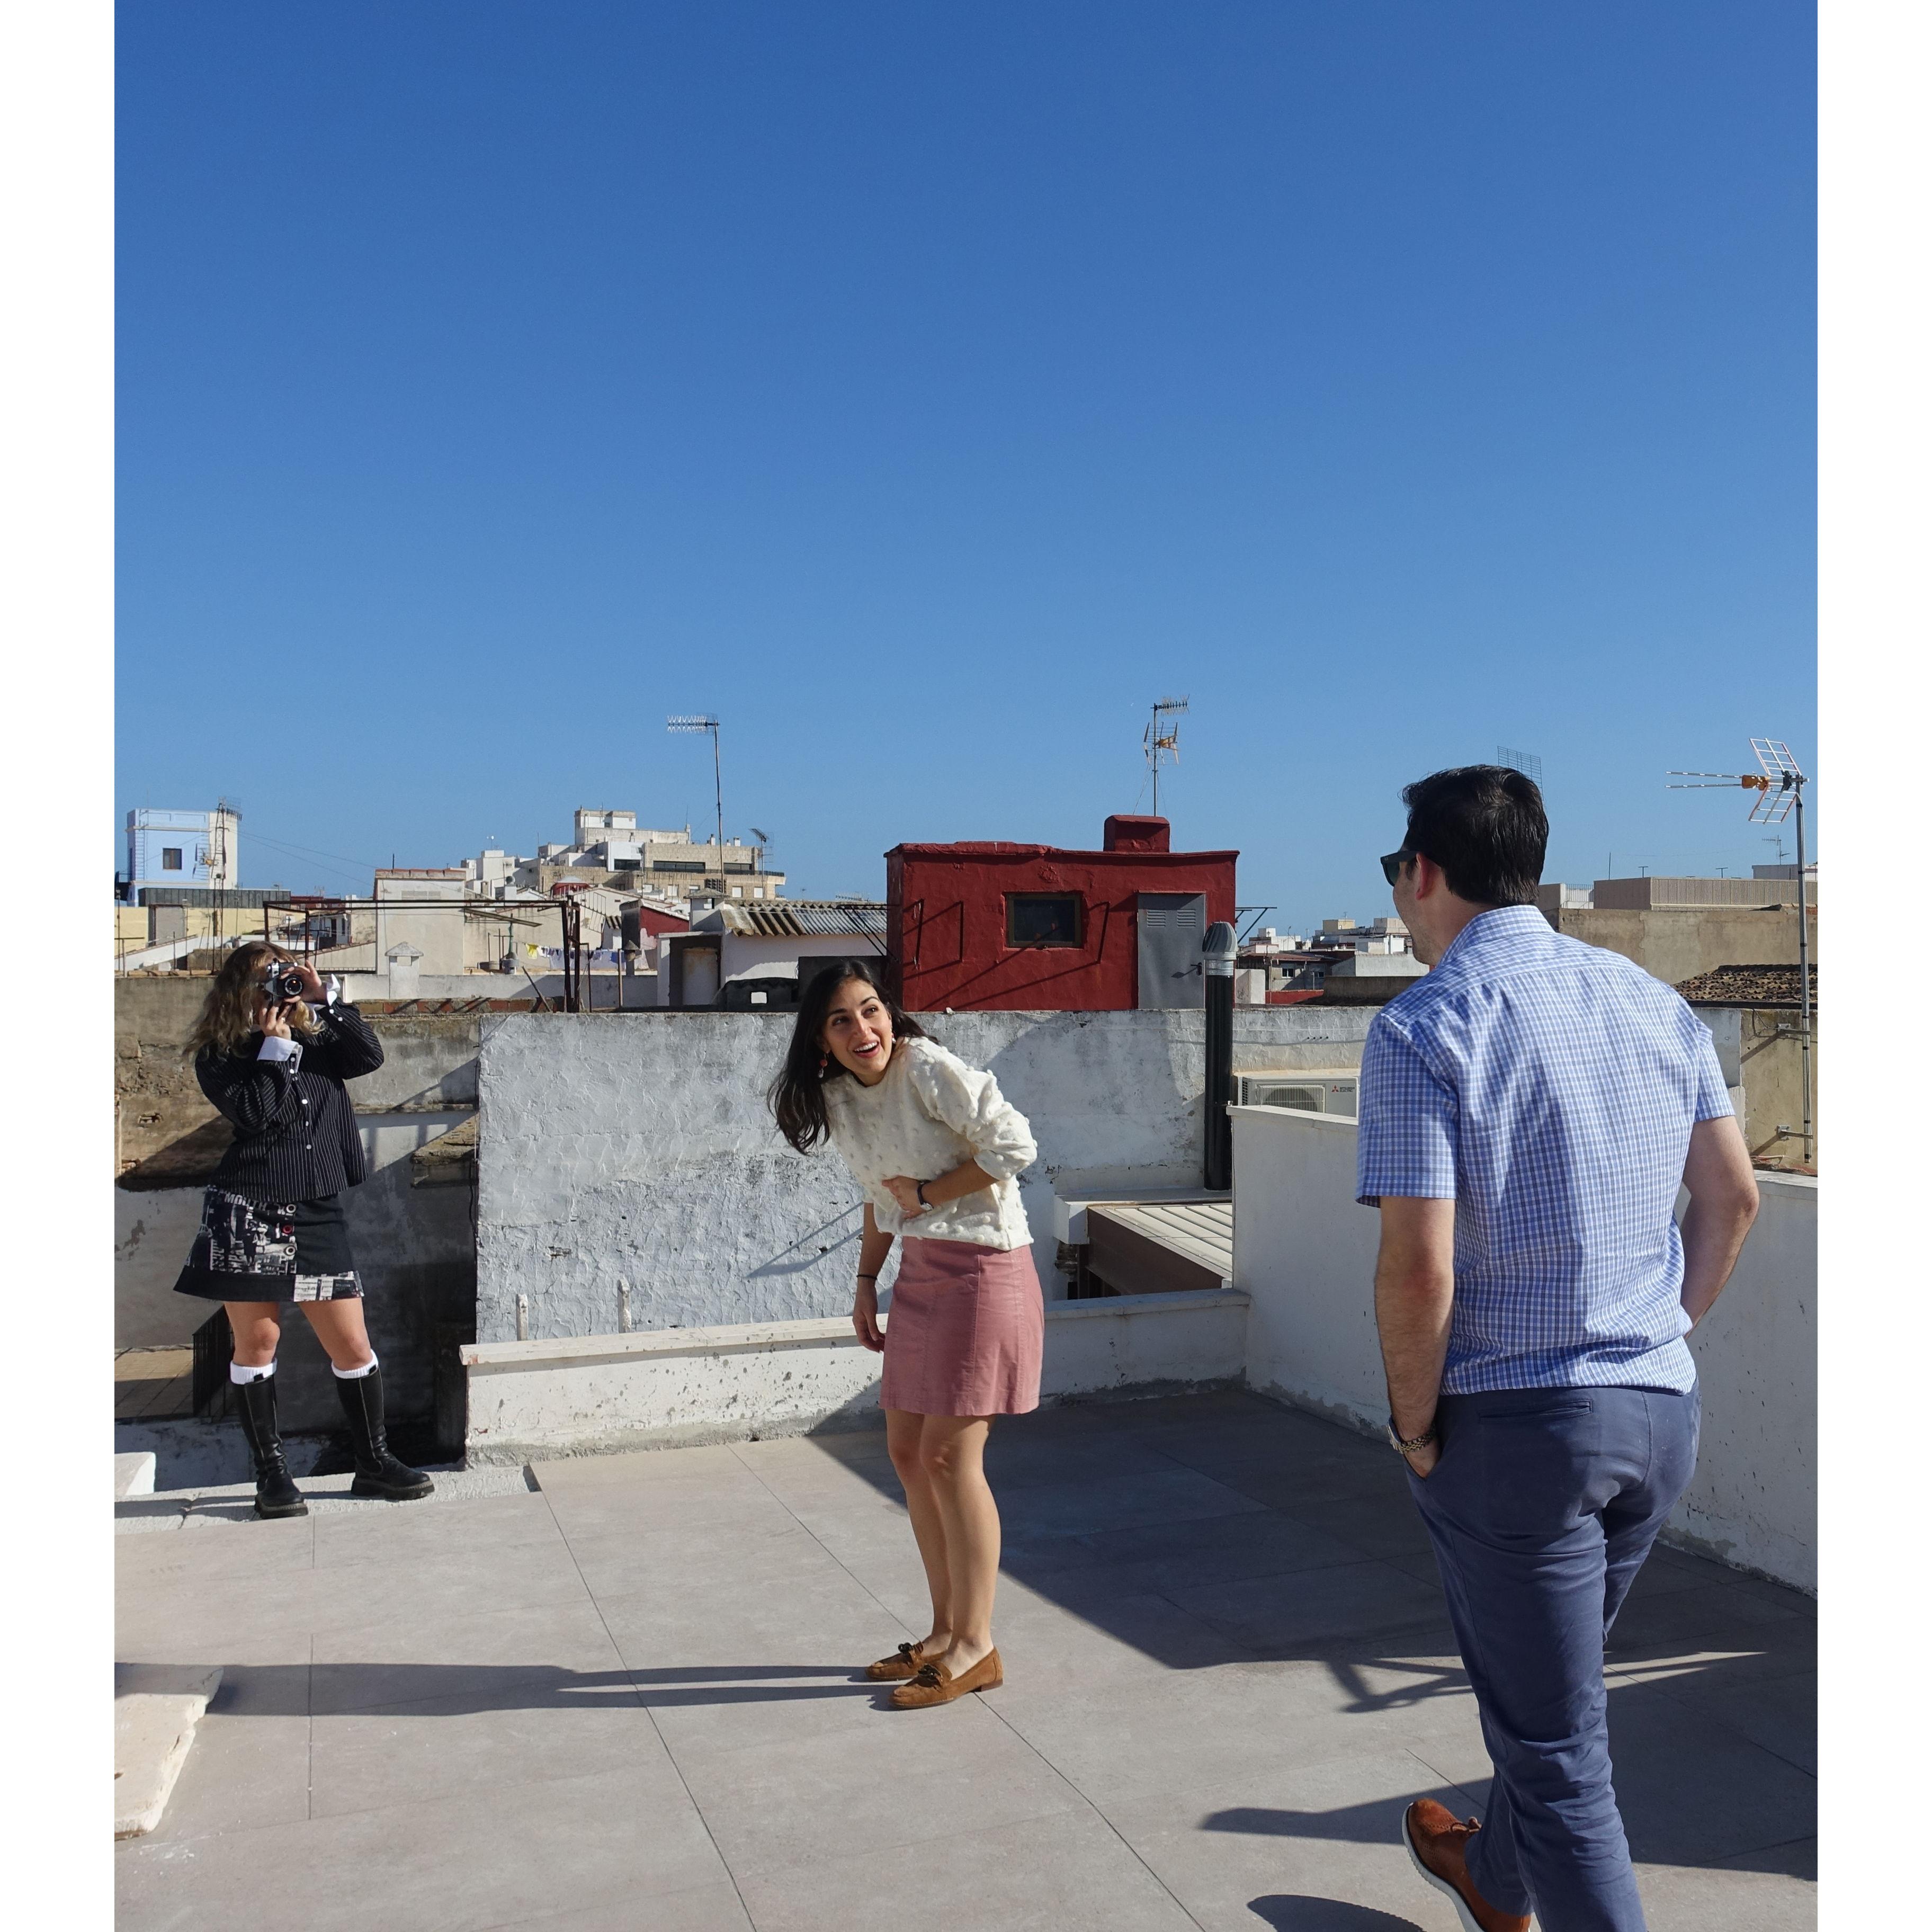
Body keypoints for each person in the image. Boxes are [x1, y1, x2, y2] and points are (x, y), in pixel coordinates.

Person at [1359, 767, 1760, 1932]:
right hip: (1657, 1416)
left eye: (1396, 872)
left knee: (1556, 1747)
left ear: (1424, 874)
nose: (1396, 895)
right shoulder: (1650, 1000)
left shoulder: (1425, 1024)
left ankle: (1521, 1874)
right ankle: (1495, 1878)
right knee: (1558, 1696)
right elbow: (1733, 1200)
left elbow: (1419, 1269)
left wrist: (1414, 1424)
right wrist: (1664, 1336)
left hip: (1517, 1433)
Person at [769, 958, 1043, 1710]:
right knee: (906, 1452)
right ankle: (942, 1633)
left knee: (952, 1456)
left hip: (988, 1267)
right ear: (820, 1041)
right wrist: (866, 1282)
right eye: (842, 1020)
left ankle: (976, 1646)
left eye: (872, 1010)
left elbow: (1015, 1147)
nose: (865, 1030)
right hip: (922, 1273)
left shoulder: (929, 1069)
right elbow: (877, 1198)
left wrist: (928, 1192)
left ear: (890, 1013)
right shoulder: (841, 1098)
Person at [173, 942, 435, 1519]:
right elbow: (257, 1114)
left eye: (283, 976)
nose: (279, 989)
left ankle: (373, 1464)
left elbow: (368, 1057)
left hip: (315, 1210)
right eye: (267, 979)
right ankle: (272, 1476)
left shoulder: (315, 1034)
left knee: (351, 1344)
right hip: (248, 1209)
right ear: (240, 990)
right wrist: (275, 1047)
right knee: (258, 1344)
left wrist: (325, 1002)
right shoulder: (220, 1055)